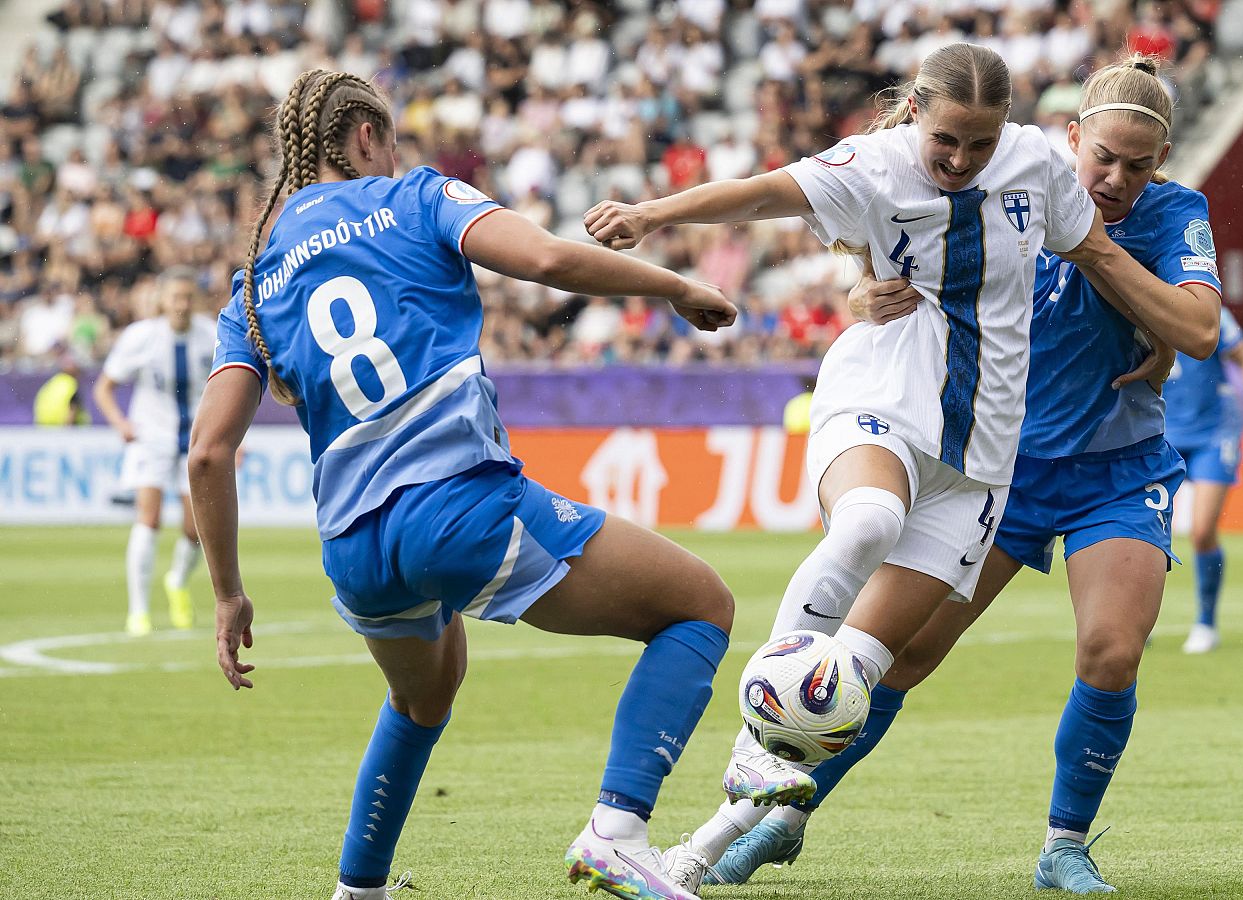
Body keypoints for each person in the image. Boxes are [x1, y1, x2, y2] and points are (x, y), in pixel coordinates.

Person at [641, 54, 1221, 894]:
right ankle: (770, 818)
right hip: (1000, 463)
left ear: (1159, 166)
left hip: (1114, 469)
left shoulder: (1165, 216)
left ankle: (1063, 846)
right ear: (1072, 139)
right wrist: (856, 293)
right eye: (1102, 158)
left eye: (1138, 165)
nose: (1116, 178)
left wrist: (1105, 262)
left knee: (1110, 650)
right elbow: (894, 242)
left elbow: (1199, 329)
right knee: (899, 658)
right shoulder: (1014, 175)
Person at [187, 69, 740, 900]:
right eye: (393, 139)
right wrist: (676, 288)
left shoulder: (256, 283)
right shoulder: (413, 196)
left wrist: (227, 595)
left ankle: (359, 890)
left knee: (424, 697)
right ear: (368, 137)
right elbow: (547, 258)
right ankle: (617, 835)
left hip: (356, 550)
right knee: (701, 606)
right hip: (456, 507)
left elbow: (206, 455)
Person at [93, 271, 216, 636]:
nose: (182, 304)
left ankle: (177, 580)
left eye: (188, 297)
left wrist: (234, 440)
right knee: (149, 518)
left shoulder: (210, 334)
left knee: (197, 528)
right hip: (152, 439)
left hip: (194, 440)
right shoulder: (141, 337)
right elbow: (104, 388)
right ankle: (139, 611)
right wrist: (121, 424)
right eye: (176, 297)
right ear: (162, 300)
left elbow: (227, 389)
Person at [1164, 304, 1243, 655]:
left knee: (1202, 530)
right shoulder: (1136, 301)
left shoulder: (1206, 309)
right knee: (1144, 536)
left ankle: (1206, 623)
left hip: (1214, 431)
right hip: (1162, 430)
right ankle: (1136, 622)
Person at [33, 351, 90, 426]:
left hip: (43, 428)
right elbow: (72, 410)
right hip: (62, 431)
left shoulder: (52, 383)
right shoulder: (72, 385)